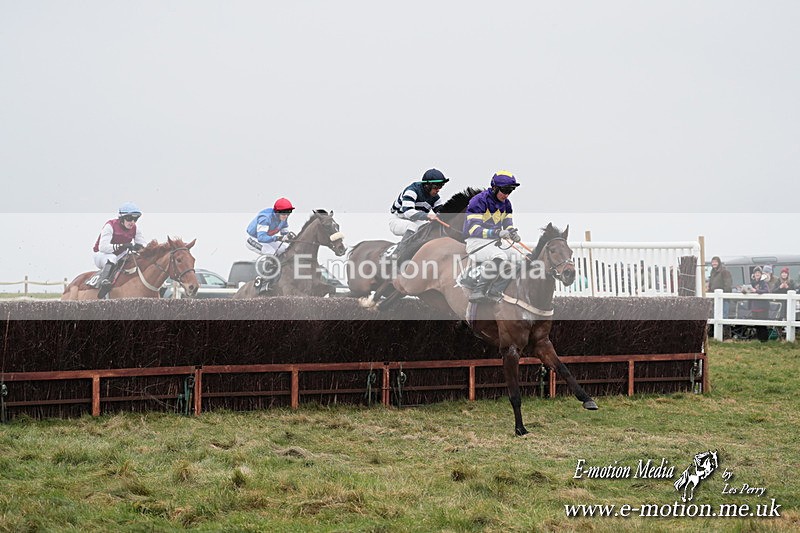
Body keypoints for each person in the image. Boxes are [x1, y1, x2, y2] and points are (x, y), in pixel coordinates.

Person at [462, 171, 522, 302]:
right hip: (475, 241)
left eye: (510, 191)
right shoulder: (478, 201)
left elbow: (507, 223)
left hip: (494, 243)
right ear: (494, 188)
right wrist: (496, 233)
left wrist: (512, 232)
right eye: (504, 190)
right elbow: (473, 229)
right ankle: (478, 291)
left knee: (519, 259)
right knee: (500, 256)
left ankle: (496, 290)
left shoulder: (507, 204)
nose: (506, 195)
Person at [388, 168, 449, 259]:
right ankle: (396, 256)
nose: (438, 190)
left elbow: (442, 213)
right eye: (436, 187)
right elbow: (408, 212)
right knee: (412, 227)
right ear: (427, 185)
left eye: (441, 186)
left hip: (415, 220)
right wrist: (428, 215)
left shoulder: (435, 197)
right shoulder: (412, 191)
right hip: (398, 219)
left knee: (428, 228)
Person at [91, 202, 148, 296]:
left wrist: (140, 248)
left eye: (135, 219)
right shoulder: (110, 226)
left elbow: (143, 244)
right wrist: (122, 246)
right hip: (101, 254)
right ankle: (104, 282)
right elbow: (103, 247)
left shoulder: (135, 228)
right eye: (129, 218)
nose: (132, 222)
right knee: (112, 258)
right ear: (122, 218)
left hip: (120, 254)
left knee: (134, 257)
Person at [707, 256, 733, 326]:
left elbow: (728, 284)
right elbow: (711, 284)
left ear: (719, 263)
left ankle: (725, 333)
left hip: (723, 298)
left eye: (715, 262)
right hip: (714, 298)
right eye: (713, 262)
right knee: (716, 316)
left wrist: (724, 295)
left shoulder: (724, 272)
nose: (714, 263)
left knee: (724, 316)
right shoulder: (712, 272)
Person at [748, 266, 771, 342]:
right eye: (756, 273)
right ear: (753, 274)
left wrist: (756, 291)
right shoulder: (752, 283)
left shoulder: (764, 283)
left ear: (761, 274)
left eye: (758, 273)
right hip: (754, 307)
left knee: (762, 325)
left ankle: (764, 340)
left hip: (762, 308)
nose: (757, 274)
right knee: (756, 325)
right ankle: (759, 339)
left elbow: (766, 291)